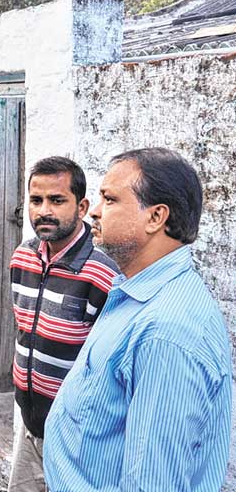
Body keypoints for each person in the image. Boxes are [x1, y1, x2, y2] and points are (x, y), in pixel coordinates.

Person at [44, 148, 232, 491]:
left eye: (110, 199)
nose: (95, 212)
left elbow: (153, 483)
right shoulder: (133, 289)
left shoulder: (166, 332)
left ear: (156, 217)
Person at [7, 157, 119, 492]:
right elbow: (25, 331)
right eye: (36, 200)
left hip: (76, 431)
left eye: (57, 201)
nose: (43, 211)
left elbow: (107, 361)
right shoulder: (22, 257)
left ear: (82, 206)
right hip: (28, 421)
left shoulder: (104, 273)